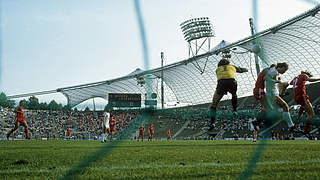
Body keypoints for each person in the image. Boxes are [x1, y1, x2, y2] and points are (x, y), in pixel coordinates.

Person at [208, 58, 248, 131]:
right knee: (234, 94)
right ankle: (235, 110)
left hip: (221, 83)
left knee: (214, 104)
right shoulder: (232, 66)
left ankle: (212, 123)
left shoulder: (217, 69)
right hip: (232, 82)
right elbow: (241, 70)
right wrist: (246, 69)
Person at [264, 62, 295, 132]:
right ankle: (291, 125)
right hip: (272, 93)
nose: (284, 72)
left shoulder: (275, 71)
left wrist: (278, 82)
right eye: (284, 70)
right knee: (285, 106)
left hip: (274, 92)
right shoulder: (273, 71)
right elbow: (265, 78)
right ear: (281, 67)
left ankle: (289, 123)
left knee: (282, 107)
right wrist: (277, 81)